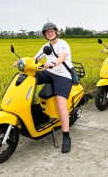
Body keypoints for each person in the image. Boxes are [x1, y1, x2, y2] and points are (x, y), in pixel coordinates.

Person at [34, 22, 73, 153]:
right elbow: (35, 59)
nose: (49, 33)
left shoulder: (63, 44)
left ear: (56, 32)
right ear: (45, 34)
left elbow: (61, 58)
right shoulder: (46, 46)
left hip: (63, 75)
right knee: (28, 80)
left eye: (52, 31)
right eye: (47, 31)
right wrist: (22, 62)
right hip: (49, 72)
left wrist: (52, 63)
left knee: (60, 103)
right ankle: (35, 110)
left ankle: (66, 136)